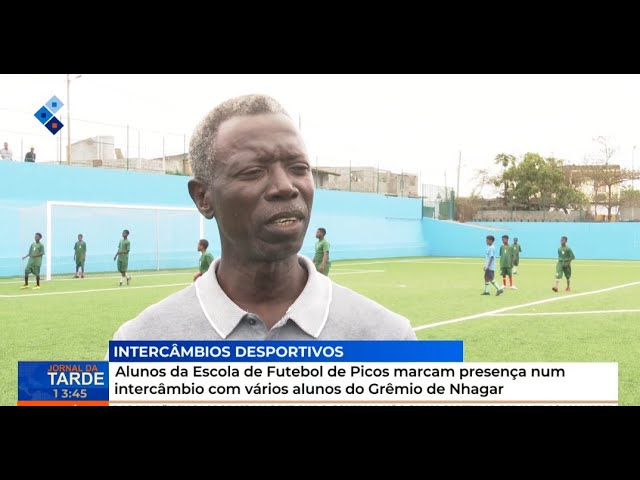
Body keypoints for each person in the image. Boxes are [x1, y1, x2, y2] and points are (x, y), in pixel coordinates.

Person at [108, 94, 416, 341]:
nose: (286, 187)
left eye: (299, 168)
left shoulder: (389, 339)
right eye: (253, 172)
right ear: (203, 198)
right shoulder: (141, 345)